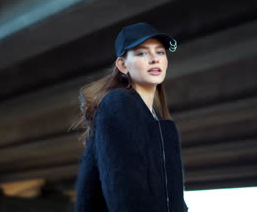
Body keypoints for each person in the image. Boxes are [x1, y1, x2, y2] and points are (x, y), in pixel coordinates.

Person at [73, 22, 188, 212]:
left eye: (160, 52)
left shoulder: (153, 117)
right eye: (142, 53)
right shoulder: (119, 104)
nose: (154, 59)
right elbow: (126, 192)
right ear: (122, 65)